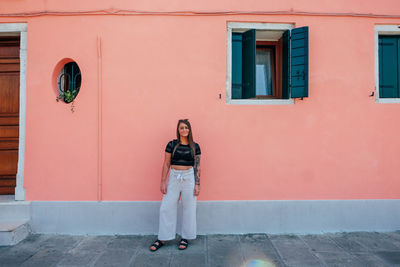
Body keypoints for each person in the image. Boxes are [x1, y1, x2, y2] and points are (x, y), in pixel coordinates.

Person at [150, 119, 201, 251]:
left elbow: (197, 166)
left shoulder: (195, 146)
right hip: (174, 176)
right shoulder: (172, 144)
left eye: (186, 128)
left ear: (189, 130)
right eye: (181, 128)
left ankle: (185, 237)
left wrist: (197, 184)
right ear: (178, 130)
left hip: (189, 178)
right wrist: (163, 181)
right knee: (166, 207)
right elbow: (166, 163)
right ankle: (163, 237)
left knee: (189, 208)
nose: (184, 130)